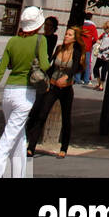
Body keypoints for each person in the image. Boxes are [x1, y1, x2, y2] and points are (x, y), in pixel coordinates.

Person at [0, 6, 49, 179]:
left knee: (19, 138)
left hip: (9, 91)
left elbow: (0, 72)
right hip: (25, 94)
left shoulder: (13, 41)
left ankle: (20, 175)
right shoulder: (40, 40)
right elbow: (45, 65)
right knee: (8, 140)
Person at [27, 25, 85, 158]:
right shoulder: (59, 48)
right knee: (42, 115)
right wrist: (45, 80)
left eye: (70, 35)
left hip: (66, 89)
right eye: (66, 34)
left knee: (66, 118)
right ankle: (31, 147)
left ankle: (63, 148)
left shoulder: (76, 52)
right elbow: (51, 66)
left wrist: (67, 77)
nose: (66, 36)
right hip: (52, 86)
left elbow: (74, 68)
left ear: (75, 39)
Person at [77, 14, 99, 86]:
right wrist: (91, 43)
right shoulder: (92, 26)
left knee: (79, 62)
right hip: (88, 47)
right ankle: (86, 79)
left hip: (80, 46)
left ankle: (77, 78)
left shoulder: (81, 25)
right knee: (87, 63)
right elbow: (95, 38)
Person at [92, 22, 109, 91]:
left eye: (106, 29)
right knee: (95, 68)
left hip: (107, 55)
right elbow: (98, 39)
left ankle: (101, 85)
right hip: (101, 54)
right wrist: (99, 44)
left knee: (104, 71)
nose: (105, 31)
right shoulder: (104, 34)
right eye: (104, 29)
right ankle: (99, 82)